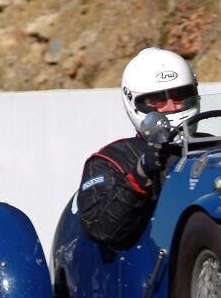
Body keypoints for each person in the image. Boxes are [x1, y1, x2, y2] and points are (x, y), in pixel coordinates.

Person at [77, 48, 199, 248]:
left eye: (179, 96)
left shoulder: (214, 146)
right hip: (148, 258)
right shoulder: (111, 160)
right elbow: (101, 227)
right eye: (159, 100)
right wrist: (141, 174)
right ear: (135, 103)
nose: (171, 107)